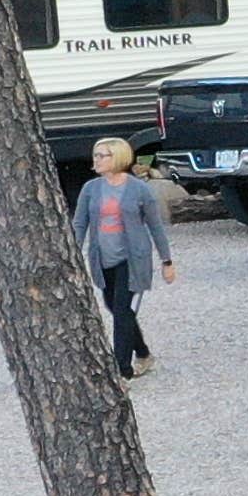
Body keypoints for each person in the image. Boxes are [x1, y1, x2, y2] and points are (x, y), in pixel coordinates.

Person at [74, 134, 172, 374]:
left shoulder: (139, 189)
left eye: (101, 155)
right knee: (116, 308)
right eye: (95, 155)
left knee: (122, 311)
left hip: (133, 260)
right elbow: (79, 224)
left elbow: (155, 226)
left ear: (117, 157)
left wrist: (166, 260)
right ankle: (143, 353)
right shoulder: (90, 189)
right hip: (103, 259)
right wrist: (74, 254)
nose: (96, 160)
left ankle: (122, 369)